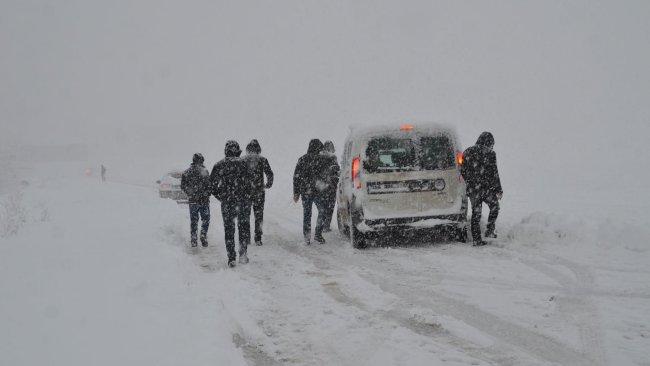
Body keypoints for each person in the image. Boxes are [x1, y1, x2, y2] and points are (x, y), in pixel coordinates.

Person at [210, 141, 253, 267]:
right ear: (237, 150)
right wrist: (247, 196)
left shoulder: (219, 165)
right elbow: (251, 184)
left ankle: (231, 258)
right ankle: (243, 254)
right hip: (243, 202)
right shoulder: (245, 164)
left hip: (227, 202)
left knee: (229, 229)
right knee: (243, 228)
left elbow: (212, 186)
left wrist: (222, 197)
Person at [461, 132, 503, 246]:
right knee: (485, 210)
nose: (490, 148)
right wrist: (498, 190)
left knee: (486, 209)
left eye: (491, 146)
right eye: (490, 145)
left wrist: (498, 189)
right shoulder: (474, 153)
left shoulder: (488, 154)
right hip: (479, 189)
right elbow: (461, 170)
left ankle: (484, 234)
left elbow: (495, 173)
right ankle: (482, 235)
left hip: (481, 189)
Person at [293, 139, 329, 244]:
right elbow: (326, 176)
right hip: (319, 191)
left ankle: (307, 236)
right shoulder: (322, 160)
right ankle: (318, 234)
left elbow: (296, 177)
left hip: (306, 191)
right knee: (322, 211)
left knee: (307, 213)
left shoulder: (302, 159)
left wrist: (296, 192)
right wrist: (325, 187)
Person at [242, 139, 274, 246]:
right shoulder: (262, 160)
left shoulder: (243, 160)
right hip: (259, 191)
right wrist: (268, 184)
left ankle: (246, 238)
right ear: (258, 150)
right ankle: (258, 238)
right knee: (259, 215)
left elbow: (238, 175)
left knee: (246, 215)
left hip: (246, 192)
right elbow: (270, 173)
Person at [181, 153, 212, 247]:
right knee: (205, 219)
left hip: (193, 201)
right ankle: (203, 235)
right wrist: (207, 193)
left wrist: (190, 194)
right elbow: (209, 185)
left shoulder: (187, 172)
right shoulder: (205, 171)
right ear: (202, 160)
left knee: (194, 220)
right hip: (204, 200)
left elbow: (183, 186)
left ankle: (194, 239)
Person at [320, 141, 340, 232]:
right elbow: (336, 170)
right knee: (330, 206)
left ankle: (321, 224)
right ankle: (326, 225)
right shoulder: (333, 157)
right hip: (331, 185)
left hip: (321, 186)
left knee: (323, 206)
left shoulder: (319, 157)